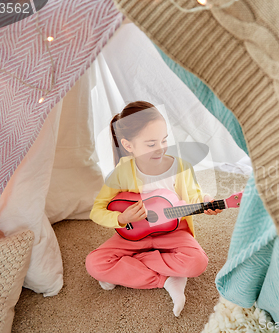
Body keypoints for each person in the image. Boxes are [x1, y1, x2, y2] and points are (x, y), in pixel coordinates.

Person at [85, 101, 222, 317]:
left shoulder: (181, 166)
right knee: (94, 264)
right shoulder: (121, 173)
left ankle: (128, 268)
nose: (161, 147)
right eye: (151, 144)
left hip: (172, 232)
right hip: (133, 235)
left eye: (164, 139)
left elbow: (193, 196)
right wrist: (121, 218)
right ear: (129, 146)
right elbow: (97, 210)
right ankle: (167, 279)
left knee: (197, 263)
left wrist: (205, 200)